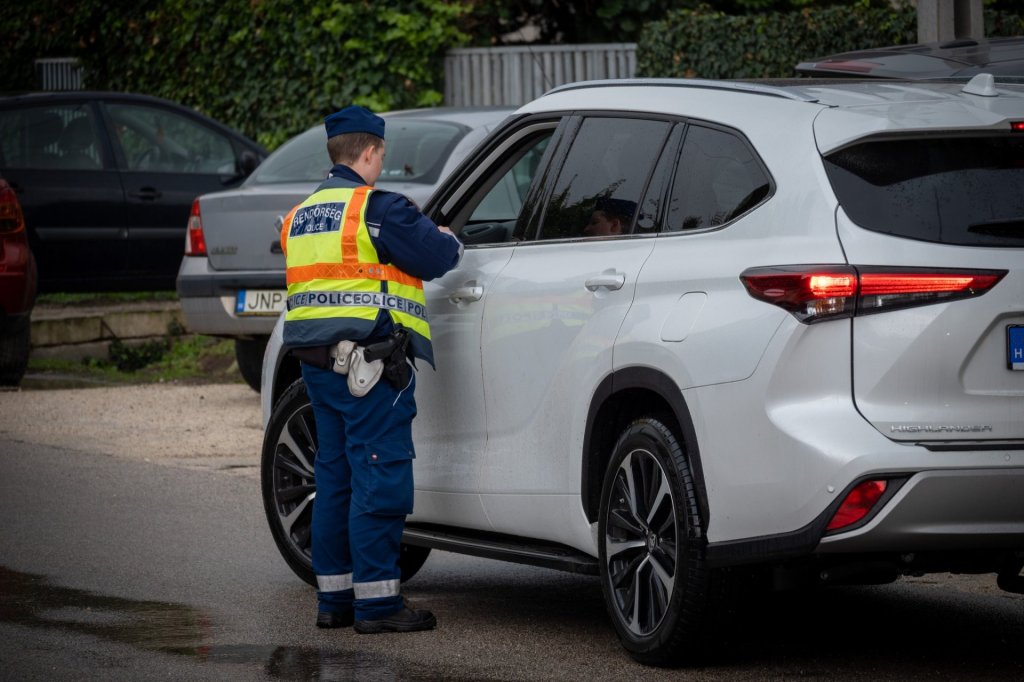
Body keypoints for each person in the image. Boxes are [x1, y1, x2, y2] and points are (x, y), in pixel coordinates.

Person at [279, 105, 462, 634]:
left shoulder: (301, 216)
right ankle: (379, 604)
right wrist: (448, 236)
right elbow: (437, 258)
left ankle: (334, 600)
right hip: (370, 367)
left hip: (318, 368)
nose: (381, 163)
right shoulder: (375, 208)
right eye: (381, 154)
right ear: (368, 152)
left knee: (335, 479)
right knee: (380, 474)